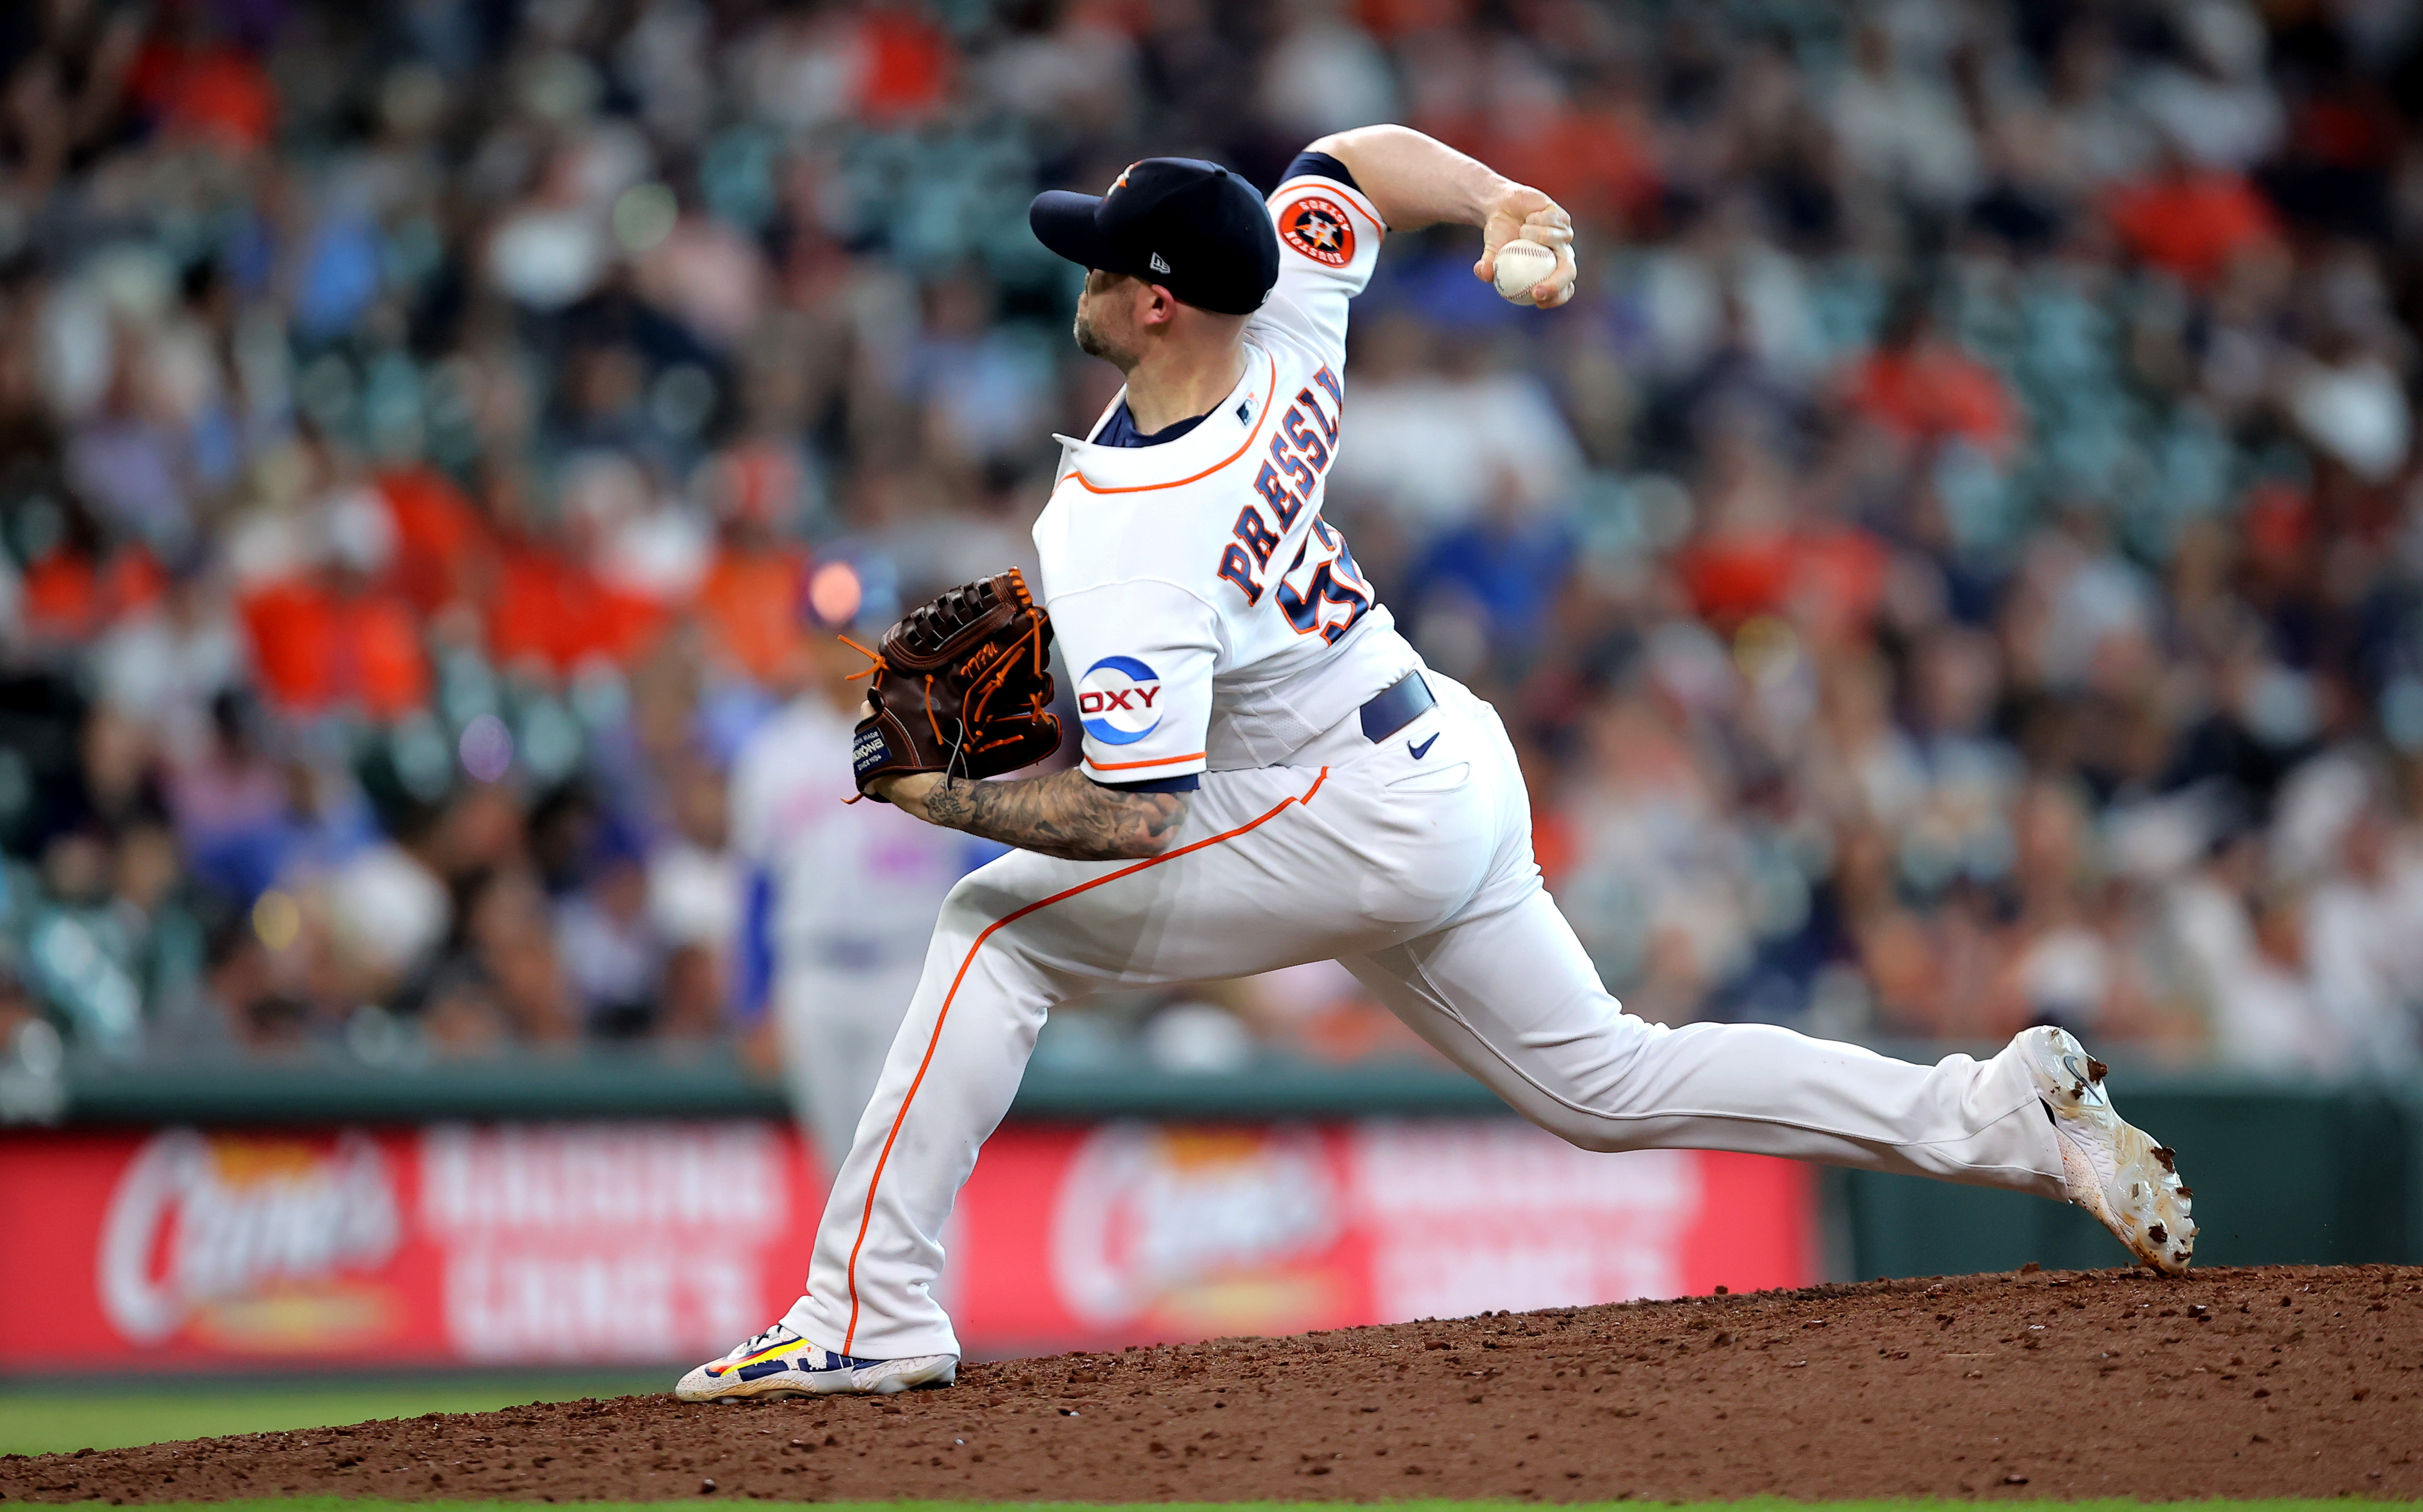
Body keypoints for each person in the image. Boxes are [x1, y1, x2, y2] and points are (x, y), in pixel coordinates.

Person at [676, 128, 2196, 1402]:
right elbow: (1354, 160)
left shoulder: (1129, 534)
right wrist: (1498, 199)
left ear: (1154, 305)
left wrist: (947, 798)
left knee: (990, 925)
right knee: (1607, 1082)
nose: (1077, 274)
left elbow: (1136, 808)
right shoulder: (1279, 318)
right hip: (1433, 753)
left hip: (1349, 804)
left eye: (1098, 260)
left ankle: (867, 1313)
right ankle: (2001, 1116)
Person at [730, 651, 1001, 1174]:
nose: (841, 651)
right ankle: (850, 1261)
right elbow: (758, 884)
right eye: (827, 636)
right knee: (839, 1170)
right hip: (813, 972)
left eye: (856, 633)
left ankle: (935, 1261)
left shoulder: (938, 732)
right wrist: (754, 999)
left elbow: (984, 855)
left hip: (910, 966)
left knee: (923, 1157)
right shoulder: (774, 750)